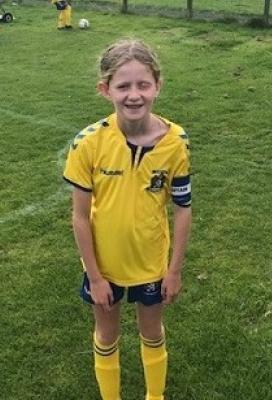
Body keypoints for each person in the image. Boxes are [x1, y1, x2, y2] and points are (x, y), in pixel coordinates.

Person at [63, 38, 192, 400]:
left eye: (143, 85)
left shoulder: (176, 141)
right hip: (104, 268)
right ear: (105, 90)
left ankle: (155, 396)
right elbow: (80, 217)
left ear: (158, 86)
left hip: (152, 264)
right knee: (107, 335)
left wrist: (175, 269)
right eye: (123, 86)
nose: (134, 95)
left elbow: (183, 208)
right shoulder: (87, 143)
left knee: (152, 332)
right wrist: (95, 276)